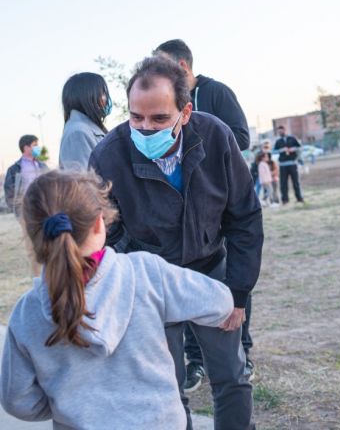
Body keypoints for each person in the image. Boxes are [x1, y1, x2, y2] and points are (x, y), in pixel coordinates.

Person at [89, 56, 263, 429]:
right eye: (136, 117)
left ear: (185, 112)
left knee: (231, 376)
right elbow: (108, 234)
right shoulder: (107, 155)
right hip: (150, 281)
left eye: (159, 119)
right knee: (164, 384)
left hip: (209, 271)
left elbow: (244, 217)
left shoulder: (216, 137)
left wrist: (238, 293)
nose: (145, 129)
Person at [0, 170, 234, 428]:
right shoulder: (145, 272)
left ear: (34, 236)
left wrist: (66, 404)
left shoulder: (26, 313)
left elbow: (16, 400)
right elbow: (220, 303)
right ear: (100, 223)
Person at [154, 38, 257, 390]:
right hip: (179, 207)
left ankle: (242, 349)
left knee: (228, 276)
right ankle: (195, 361)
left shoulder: (216, 93)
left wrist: (204, 136)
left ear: (182, 67)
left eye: (164, 68)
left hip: (217, 199)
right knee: (184, 288)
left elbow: (240, 136)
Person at [5, 135, 48, 276]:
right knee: (32, 248)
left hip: (45, 209)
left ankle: (51, 277)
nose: (38, 148)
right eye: (35, 144)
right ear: (26, 147)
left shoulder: (42, 165)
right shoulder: (15, 169)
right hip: (26, 211)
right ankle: (38, 279)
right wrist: (17, 211)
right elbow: (9, 192)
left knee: (49, 243)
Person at [59, 72, 111, 170]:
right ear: (89, 96)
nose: (106, 99)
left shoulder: (89, 129)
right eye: (103, 93)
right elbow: (81, 182)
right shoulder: (78, 133)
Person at [274, 125, 303, 204]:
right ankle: (285, 200)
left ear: (285, 130)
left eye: (281, 131)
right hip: (283, 165)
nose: (280, 132)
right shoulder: (278, 141)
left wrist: (293, 149)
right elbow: (274, 151)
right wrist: (281, 150)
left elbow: (299, 148)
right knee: (283, 183)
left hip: (293, 163)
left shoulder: (292, 138)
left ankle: (299, 198)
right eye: (279, 131)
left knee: (296, 182)